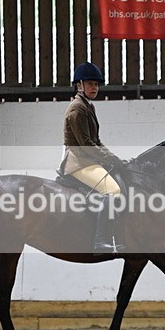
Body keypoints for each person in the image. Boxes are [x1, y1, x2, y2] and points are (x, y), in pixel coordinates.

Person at [59, 62, 125, 254]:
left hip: (88, 159)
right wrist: (111, 160)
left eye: (96, 84)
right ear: (79, 85)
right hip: (78, 162)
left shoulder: (88, 107)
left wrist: (115, 159)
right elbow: (86, 144)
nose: (94, 88)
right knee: (111, 190)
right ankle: (100, 240)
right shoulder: (77, 109)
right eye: (90, 84)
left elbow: (96, 141)